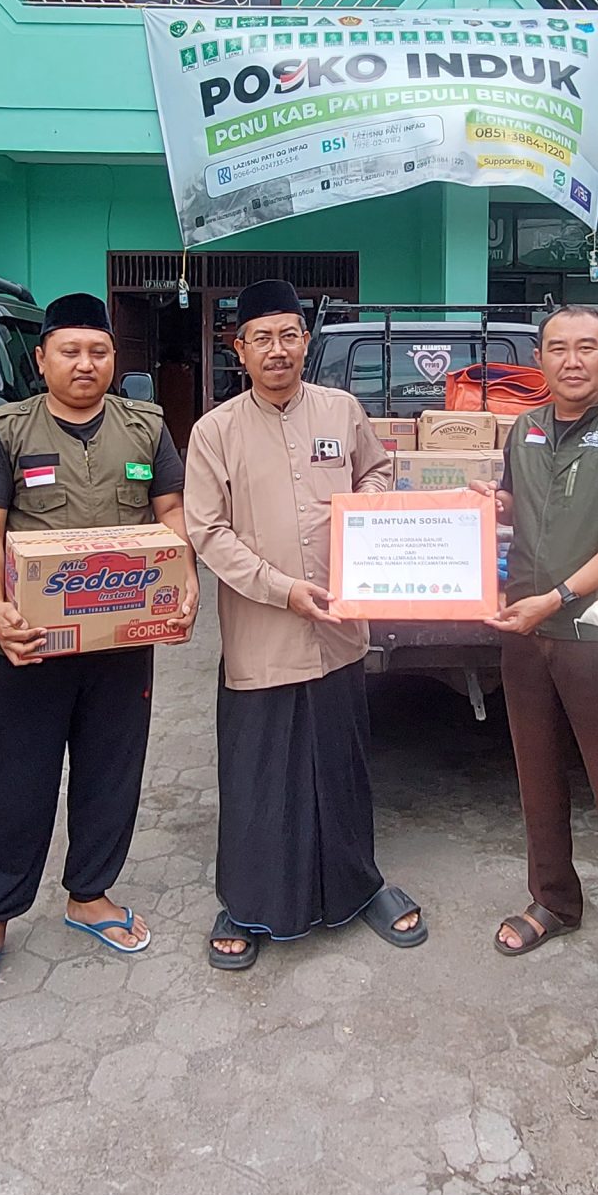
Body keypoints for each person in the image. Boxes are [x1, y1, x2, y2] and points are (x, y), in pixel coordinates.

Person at [0, 293, 195, 1005]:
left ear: (114, 359)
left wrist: (184, 581)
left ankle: (89, 893)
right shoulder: (6, 430)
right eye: (71, 351)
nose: (86, 364)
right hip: (32, 644)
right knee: (15, 782)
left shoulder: (145, 427)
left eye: (99, 352)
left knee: (112, 770)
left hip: (122, 640)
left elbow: (170, 512)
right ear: (42, 358)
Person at [183, 278, 428, 968]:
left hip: (338, 633)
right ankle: (247, 903)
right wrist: (282, 588)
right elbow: (207, 531)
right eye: (262, 338)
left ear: (305, 341)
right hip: (262, 637)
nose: (278, 349)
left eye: (289, 335)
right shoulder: (214, 432)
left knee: (342, 768)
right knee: (260, 778)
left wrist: (362, 515)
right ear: (239, 349)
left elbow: (379, 471)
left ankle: (360, 886)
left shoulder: (341, 410)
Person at [486, 305, 598, 1008]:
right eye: (557, 348)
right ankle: (554, 901)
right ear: (539, 359)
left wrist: (559, 596)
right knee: (538, 779)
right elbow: (517, 508)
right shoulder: (524, 428)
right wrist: (484, 508)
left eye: (586, 347)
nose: (571, 360)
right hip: (524, 631)